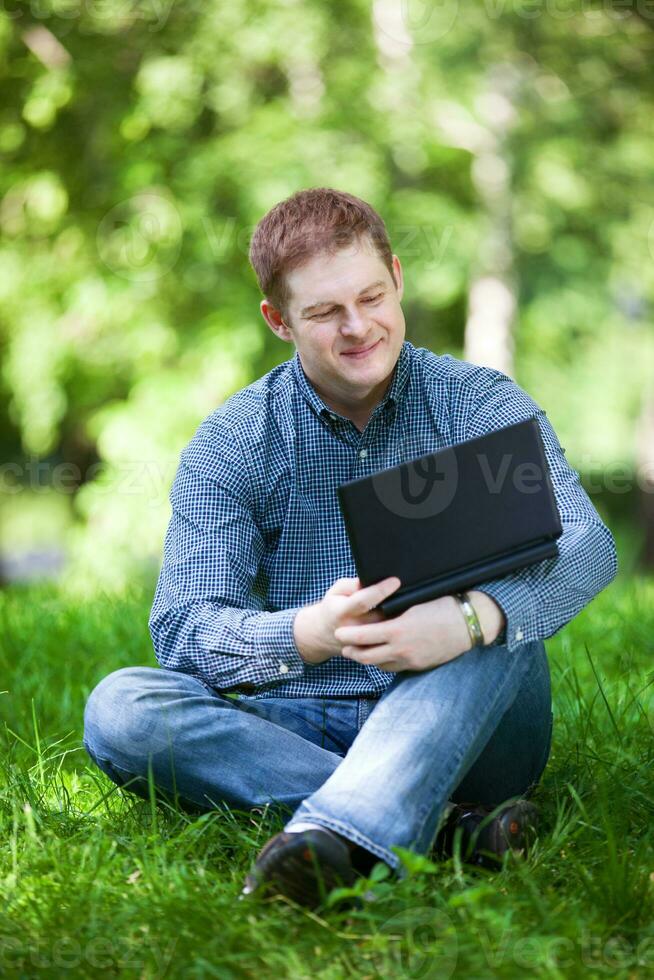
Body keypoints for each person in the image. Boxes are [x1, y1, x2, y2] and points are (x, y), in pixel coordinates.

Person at [83, 188, 618, 909]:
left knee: (502, 617)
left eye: (371, 296)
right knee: (122, 708)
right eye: (326, 312)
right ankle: (447, 834)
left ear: (397, 277)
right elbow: (184, 632)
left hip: (474, 723)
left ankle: (344, 829)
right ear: (279, 320)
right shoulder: (233, 441)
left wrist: (465, 622)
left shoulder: (480, 403)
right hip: (306, 717)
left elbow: (589, 543)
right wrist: (313, 633)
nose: (358, 326)